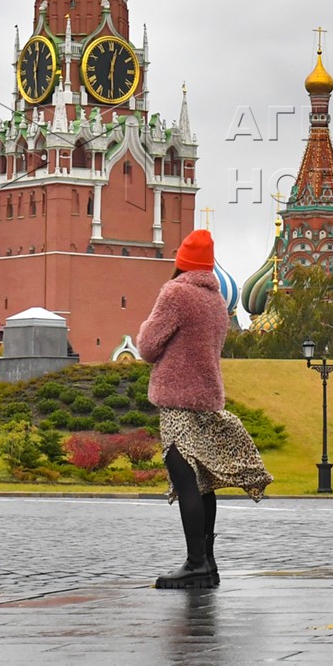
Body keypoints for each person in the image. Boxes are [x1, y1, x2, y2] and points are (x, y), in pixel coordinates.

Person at [137, 229, 272, 589]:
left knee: (186, 481)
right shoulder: (216, 301)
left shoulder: (175, 293)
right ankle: (207, 563)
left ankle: (196, 563)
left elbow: (148, 347)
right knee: (203, 482)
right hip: (207, 398)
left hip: (177, 399)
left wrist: (144, 328)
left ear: (181, 261)